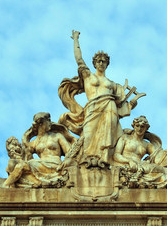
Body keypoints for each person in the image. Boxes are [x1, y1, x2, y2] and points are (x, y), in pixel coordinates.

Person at [59, 30, 145, 164]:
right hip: (92, 108)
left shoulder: (112, 84)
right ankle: (85, 161)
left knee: (108, 135)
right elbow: (79, 59)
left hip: (110, 107)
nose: (101, 63)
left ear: (107, 64)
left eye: (104, 61)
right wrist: (75, 39)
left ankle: (105, 159)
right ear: (94, 63)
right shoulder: (88, 76)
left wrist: (130, 105)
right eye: (99, 61)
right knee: (88, 135)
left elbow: (121, 104)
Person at [1, 112, 75, 188]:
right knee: (14, 163)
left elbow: (69, 152)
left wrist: (66, 163)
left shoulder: (57, 136)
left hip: (55, 164)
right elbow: (25, 157)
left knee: (22, 165)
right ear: (41, 123)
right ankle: (14, 185)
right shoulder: (33, 143)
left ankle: (5, 186)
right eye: (48, 121)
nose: (50, 123)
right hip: (40, 165)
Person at [112, 116, 167, 188]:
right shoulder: (125, 138)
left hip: (141, 166)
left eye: (142, 127)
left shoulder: (147, 144)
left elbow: (158, 158)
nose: (139, 129)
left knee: (164, 171)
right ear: (133, 126)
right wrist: (129, 161)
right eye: (137, 126)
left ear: (146, 128)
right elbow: (116, 155)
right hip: (126, 164)